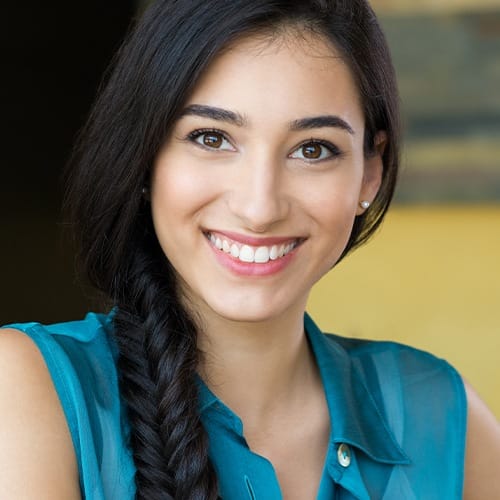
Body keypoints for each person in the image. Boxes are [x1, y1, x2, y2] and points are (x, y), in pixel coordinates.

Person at [1, 0, 499, 498]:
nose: (260, 207)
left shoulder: (443, 416)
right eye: (212, 137)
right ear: (146, 156)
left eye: (313, 148)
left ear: (369, 171)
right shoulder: (28, 389)